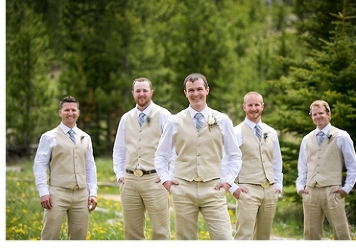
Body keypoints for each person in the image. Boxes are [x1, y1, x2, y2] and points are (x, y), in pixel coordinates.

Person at [154, 73, 241, 240]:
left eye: (199, 89)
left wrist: (228, 182)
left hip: (213, 188)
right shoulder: (174, 121)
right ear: (185, 93)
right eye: (191, 90)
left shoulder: (222, 120)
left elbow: (235, 155)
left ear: (207, 90)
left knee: (224, 238)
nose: (196, 94)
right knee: (186, 240)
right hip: (183, 188)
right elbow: (161, 156)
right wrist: (166, 181)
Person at [112, 77, 172, 240]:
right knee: (132, 232)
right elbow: (119, 149)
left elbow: (175, 148)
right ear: (133, 93)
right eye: (138, 91)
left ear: (151, 92)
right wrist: (119, 174)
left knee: (160, 231)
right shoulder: (126, 118)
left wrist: (168, 176)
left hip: (155, 180)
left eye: (145, 90)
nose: (141, 94)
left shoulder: (163, 115)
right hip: (129, 181)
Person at [33, 96, 98, 240]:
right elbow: (39, 165)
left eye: (73, 110)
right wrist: (44, 192)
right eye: (66, 110)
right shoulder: (49, 136)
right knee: (50, 236)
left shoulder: (85, 137)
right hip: (57, 194)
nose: (70, 113)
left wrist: (92, 192)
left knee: (79, 238)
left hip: (82, 195)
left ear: (78, 112)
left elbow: (90, 166)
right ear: (60, 112)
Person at [296, 99, 356, 241]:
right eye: (314, 114)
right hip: (310, 191)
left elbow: (353, 166)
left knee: (341, 232)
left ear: (329, 114)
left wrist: (346, 188)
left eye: (321, 113)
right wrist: (300, 187)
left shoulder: (342, 136)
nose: (317, 117)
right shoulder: (307, 139)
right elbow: (303, 166)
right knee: (310, 234)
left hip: (332, 190)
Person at [232, 91, 283, 240]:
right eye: (250, 105)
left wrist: (278, 185)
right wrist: (234, 187)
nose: (253, 108)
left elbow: (276, 161)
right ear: (244, 107)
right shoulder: (237, 132)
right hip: (248, 190)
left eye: (256, 105)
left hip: (270, 190)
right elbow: (226, 161)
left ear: (262, 106)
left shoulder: (271, 132)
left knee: (263, 237)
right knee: (244, 235)